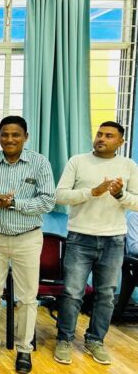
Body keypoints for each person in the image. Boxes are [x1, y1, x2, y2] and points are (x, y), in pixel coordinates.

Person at [0, 116, 55, 374]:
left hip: (27, 238)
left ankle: (24, 350)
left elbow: (48, 201)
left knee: (27, 298)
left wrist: (14, 203)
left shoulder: (40, 163)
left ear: (25, 137)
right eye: (4, 134)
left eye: (15, 134)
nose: (9, 139)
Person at [53, 121, 138, 366]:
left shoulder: (129, 166)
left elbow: (136, 202)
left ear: (120, 142)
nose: (102, 138)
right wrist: (92, 192)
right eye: (100, 134)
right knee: (72, 293)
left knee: (106, 295)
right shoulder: (78, 161)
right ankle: (64, 340)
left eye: (109, 136)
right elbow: (60, 195)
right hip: (80, 237)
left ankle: (95, 340)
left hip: (114, 239)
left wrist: (120, 194)